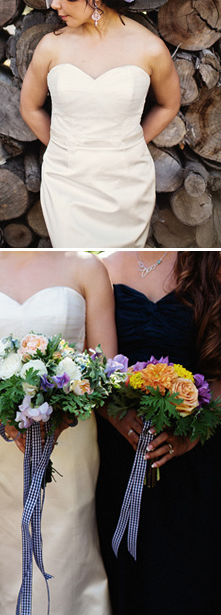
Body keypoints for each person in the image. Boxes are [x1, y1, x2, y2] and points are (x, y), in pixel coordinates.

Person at [0, 250, 118, 615]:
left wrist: (59, 419)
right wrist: (7, 424)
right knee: (0, 548)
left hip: (68, 434)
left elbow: (102, 364)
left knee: (68, 546)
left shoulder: (88, 267)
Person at [20, 0, 181, 248]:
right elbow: (29, 107)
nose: (53, 3)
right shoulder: (51, 48)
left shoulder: (149, 48)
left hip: (126, 184)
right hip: (66, 184)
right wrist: (65, 146)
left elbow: (168, 104)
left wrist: (129, 142)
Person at [96, 250, 221, 614]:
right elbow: (94, 367)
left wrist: (192, 434)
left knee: (190, 578)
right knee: (126, 572)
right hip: (120, 450)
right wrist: (116, 416)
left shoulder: (209, 263)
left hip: (198, 450)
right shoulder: (100, 267)